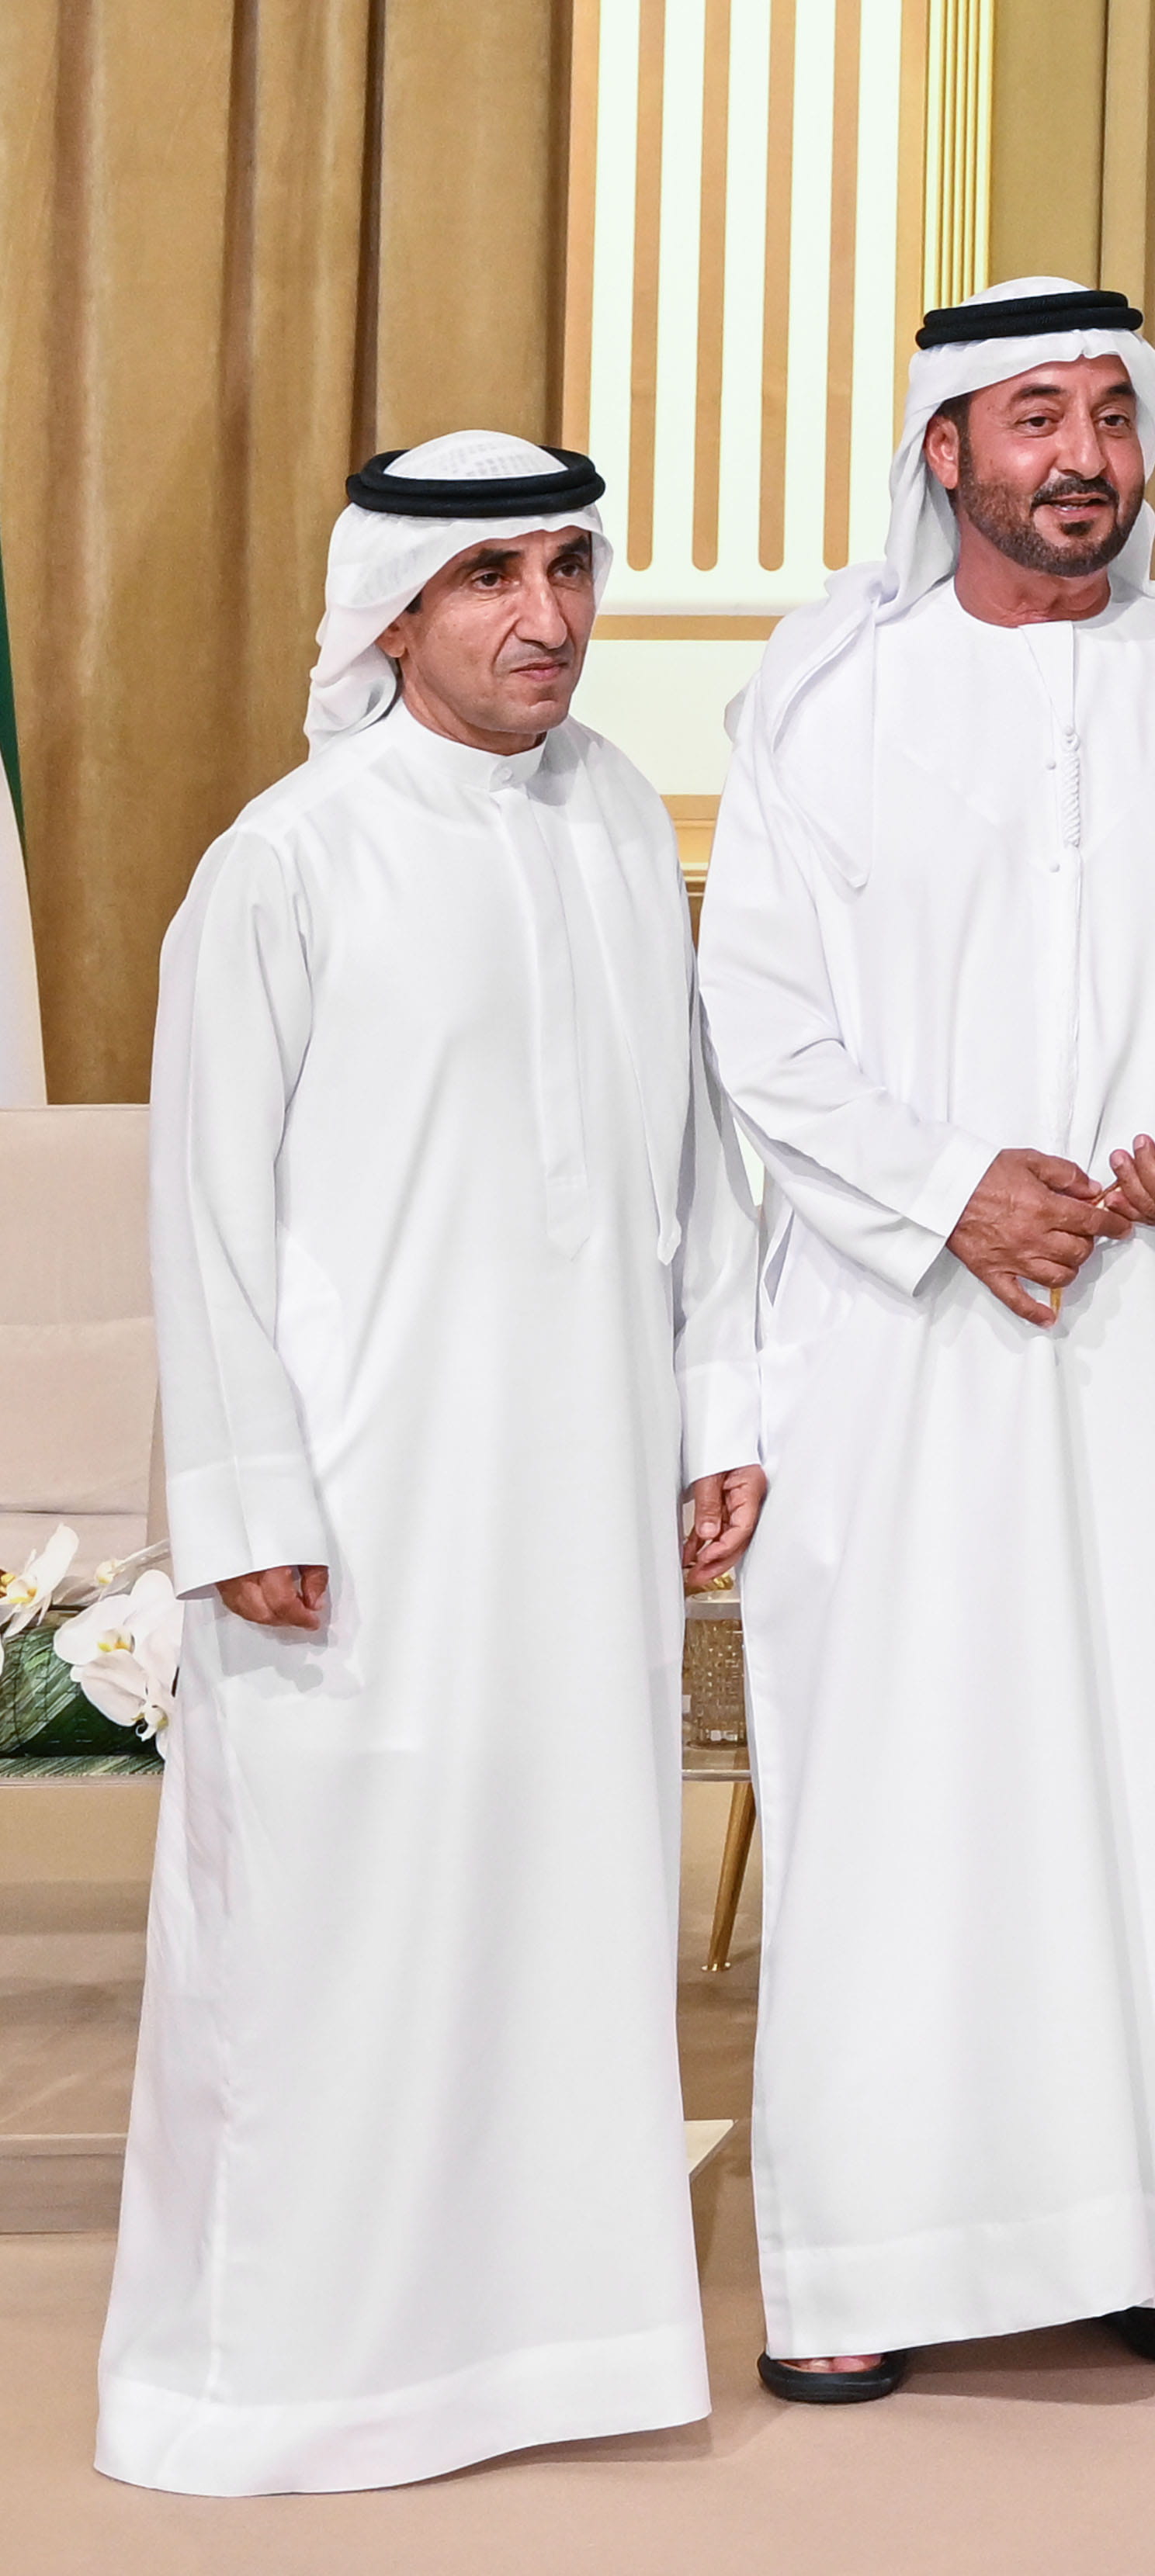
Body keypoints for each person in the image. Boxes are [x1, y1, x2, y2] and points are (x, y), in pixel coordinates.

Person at [106, 436, 762, 2494]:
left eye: (569, 569)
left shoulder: (616, 826)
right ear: (393, 615)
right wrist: (247, 1502)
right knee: (330, 1938)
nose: (546, 618)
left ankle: (548, 2354)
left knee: (556, 1914)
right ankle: (274, 2382)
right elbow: (204, 1214)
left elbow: (695, 1166)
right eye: (492, 578)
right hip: (359, 1509)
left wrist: (717, 1416)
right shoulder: (289, 858)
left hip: (580, 1499)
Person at [699, 282, 1155, 2401]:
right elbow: (757, 1018)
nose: (1080, 457)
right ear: (944, 451)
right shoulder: (831, 698)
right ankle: (873, 2271)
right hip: (900, 1341)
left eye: (1109, 417)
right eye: (1031, 416)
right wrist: (952, 1185)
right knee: (905, 1779)